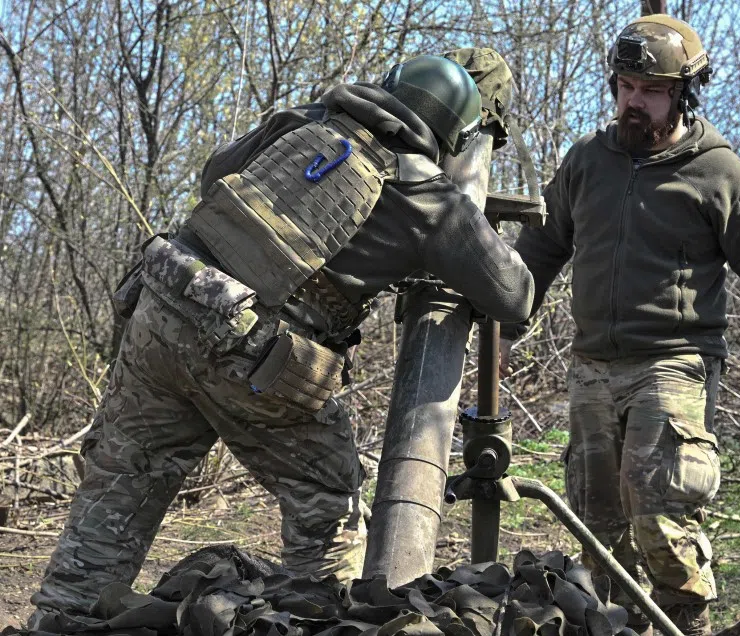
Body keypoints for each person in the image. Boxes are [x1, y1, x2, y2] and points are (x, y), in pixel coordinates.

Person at [29, 53, 534, 628]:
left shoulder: (302, 122)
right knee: (328, 507)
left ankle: (60, 619)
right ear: (452, 134)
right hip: (254, 350)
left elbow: (215, 176)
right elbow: (514, 293)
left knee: (123, 480)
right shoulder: (426, 196)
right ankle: (312, 622)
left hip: (162, 305)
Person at [499, 15, 740, 636]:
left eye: (651, 89)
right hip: (591, 366)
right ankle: (617, 623)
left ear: (682, 93)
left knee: (657, 502)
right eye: (626, 86)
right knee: (595, 516)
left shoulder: (719, 172)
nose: (634, 101)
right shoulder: (586, 161)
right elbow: (540, 250)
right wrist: (505, 329)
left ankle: (684, 621)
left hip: (674, 362)